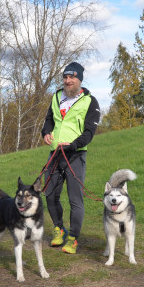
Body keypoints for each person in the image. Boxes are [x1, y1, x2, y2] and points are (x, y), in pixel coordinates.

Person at [41, 62, 100, 255]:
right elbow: (49, 120)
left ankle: (73, 238)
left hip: (75, 155)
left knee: (75, 200)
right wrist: (46, 132)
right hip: (55, 154)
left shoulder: (90, 101)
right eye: (65, 77)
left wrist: (73, 145)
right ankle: (59, 229)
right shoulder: (56, 97)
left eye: (72, 77)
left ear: (79, 79)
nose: (68, 81)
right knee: (50, 195)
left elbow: (90, 132)